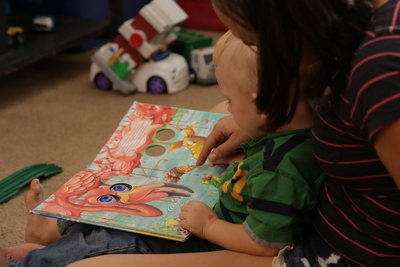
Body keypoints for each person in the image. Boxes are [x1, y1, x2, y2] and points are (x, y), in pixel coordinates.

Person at [68, 0, 399, 266]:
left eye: (254, 41)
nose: (257, 52)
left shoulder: (380, 70)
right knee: (222, 113)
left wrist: (211, 227)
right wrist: (259, 121)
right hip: (329, 205)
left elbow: (266, 243)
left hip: (334, 250)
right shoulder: (354, 30)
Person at [0, 30, 325, 267]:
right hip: (213, 214)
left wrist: (209, 226)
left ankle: (39, 261)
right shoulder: (292, 127)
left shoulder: (278, 172)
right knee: (114, 207)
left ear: (263, 101)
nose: (227, 107)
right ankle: (47, 236)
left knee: (117, 241)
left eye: (231, 101)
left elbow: (266, 245)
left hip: (208, 237)